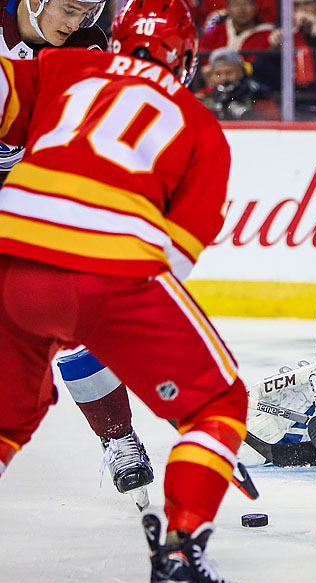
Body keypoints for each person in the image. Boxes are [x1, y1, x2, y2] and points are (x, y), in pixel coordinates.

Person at [0, 0, 266, 583]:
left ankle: (117, 437)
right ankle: (180, 561)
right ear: (188, 56)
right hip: (110, 271)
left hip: (12, 255)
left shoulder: (67, 68)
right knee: (218, 401)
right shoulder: (199, 126)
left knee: (4, 420)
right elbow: (174, 258)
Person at [0, 0, 155, 507]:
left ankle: (118, 438)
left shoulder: (88, 46)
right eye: (69, 9)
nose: (76, 24)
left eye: (87, 13)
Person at [196, 47, 279, 120]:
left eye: (229, 73)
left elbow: (269, 121)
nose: (223, 78)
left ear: (241, 72)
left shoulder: (256, 93)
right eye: (218, 74)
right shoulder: (205, 96)